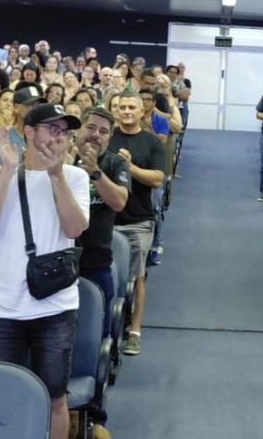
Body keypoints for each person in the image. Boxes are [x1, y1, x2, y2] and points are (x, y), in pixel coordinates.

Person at [0, 103, 89, 439]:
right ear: (29, 133)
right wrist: (7, 169)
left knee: (54, 398)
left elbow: (74, 227)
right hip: (2, 306)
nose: (59, 136)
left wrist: (56, 175)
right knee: (2, 395)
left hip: (55, 306)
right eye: (51, 128)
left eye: (64, 131)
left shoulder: (76, 177)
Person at [106, 92, 166, 356]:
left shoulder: (152, 142)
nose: (126, 111)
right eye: (122, 107)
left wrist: (128, 167)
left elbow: (156, 179)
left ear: (142, 111)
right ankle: (107, 327)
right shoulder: (107, 137)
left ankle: (135, 331)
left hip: (138, 221)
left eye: (132, 107)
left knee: (136, 277)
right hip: (105, 219)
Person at [73, 107, 130, 342]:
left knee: (98, 334)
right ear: (78, 130)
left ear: (110, 137)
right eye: (91, 127)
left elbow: (118, 202)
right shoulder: (60, 160)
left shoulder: (116, 163)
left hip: (96, 263)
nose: (96, 134)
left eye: (103, 131)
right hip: (55, 263)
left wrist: (95, 171)